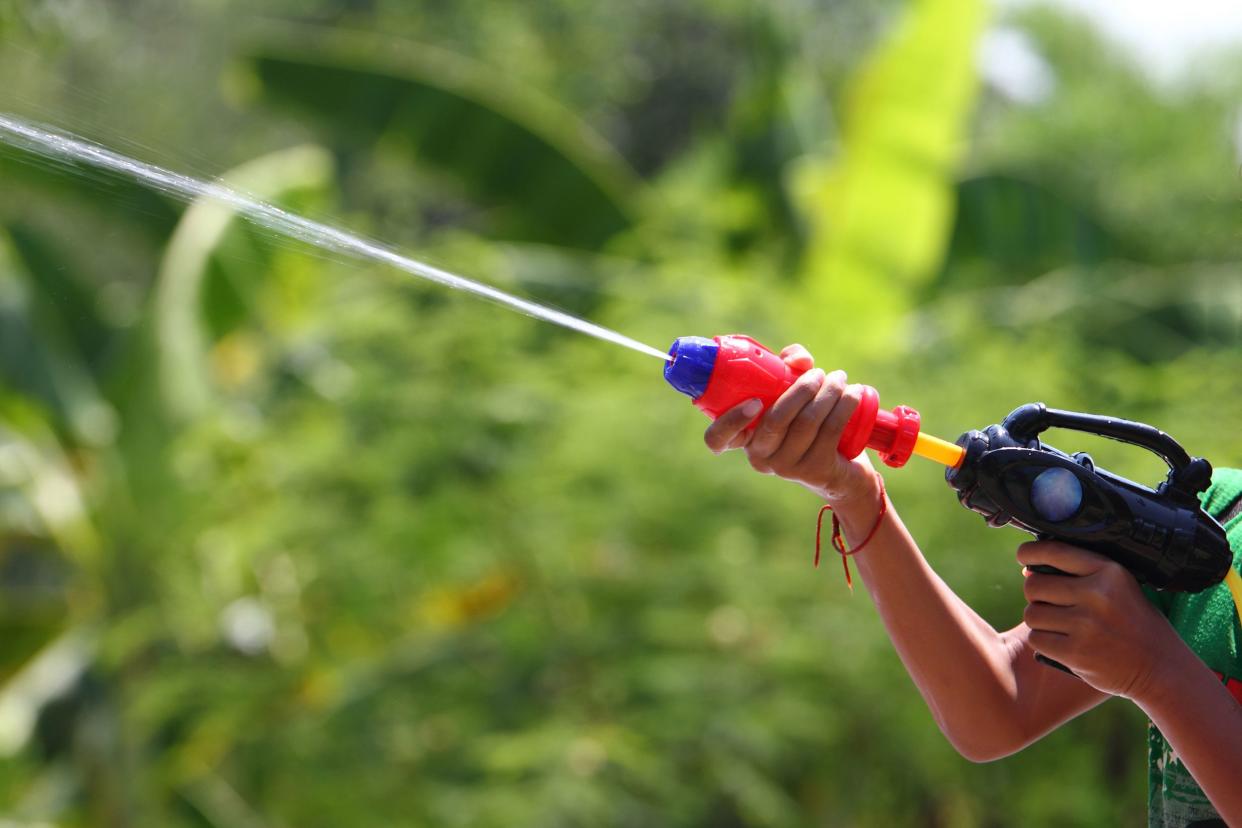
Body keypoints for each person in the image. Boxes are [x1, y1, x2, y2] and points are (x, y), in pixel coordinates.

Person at [702, 344, 1242, 827]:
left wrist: (1156, 671)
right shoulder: (1214, 527)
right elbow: (1000, 705)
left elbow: (1140, 672)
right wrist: (853, 493)